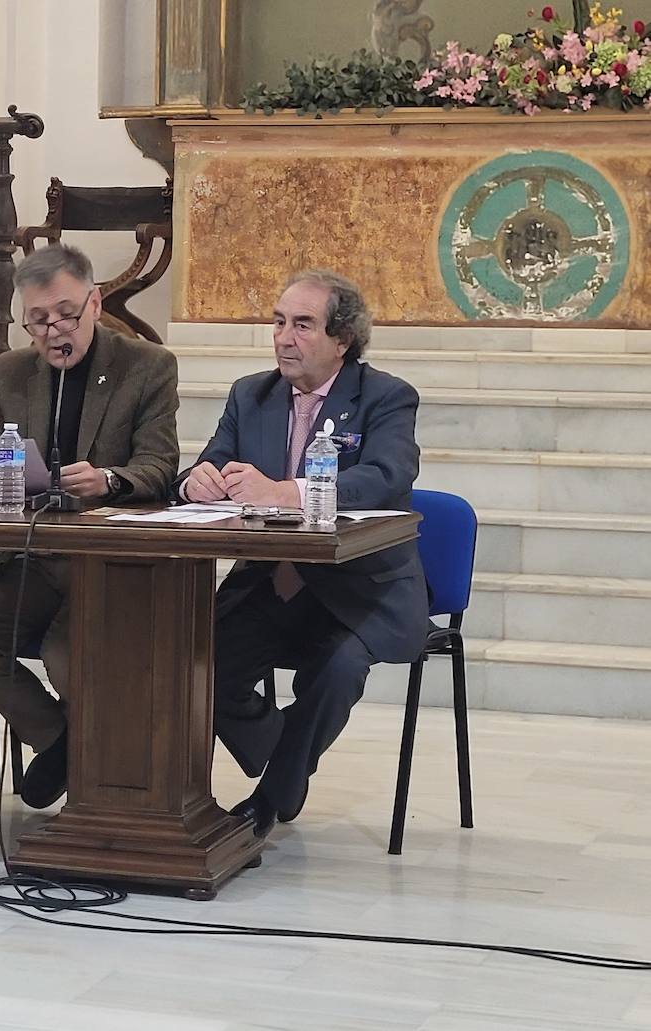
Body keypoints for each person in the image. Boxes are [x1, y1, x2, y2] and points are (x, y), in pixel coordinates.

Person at [173, 269, 429, 838]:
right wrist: (199, 483)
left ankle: (274, 793)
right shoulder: (252, 394)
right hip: (273, 582)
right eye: (279, 322)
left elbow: (388, 477)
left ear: (342, 340)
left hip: (361, 588)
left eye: (303, 325)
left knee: (336, 669)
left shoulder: (385, 396)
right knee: (195, 663)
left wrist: (288, 492)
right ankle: (281, 748)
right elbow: (207, 462)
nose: (284, 337)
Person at [0, 243, 180, 810]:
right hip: (28, 557)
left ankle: (112, 791)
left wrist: (111, 480)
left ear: (95, 303)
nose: (54, 331)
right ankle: (67, 744)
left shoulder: (146, 366)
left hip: (107, 562)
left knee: (68, 649)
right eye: (39, 320)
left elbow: (160, 465)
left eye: (66, 314)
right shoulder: (11, 372)